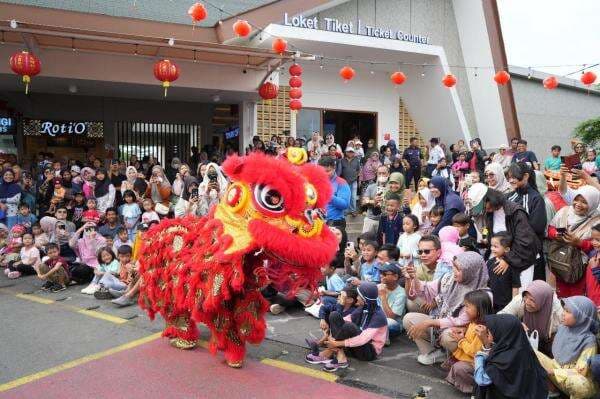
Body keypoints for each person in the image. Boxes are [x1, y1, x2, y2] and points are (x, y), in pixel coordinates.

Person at [403, 252, 489, 365]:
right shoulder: (450, 278)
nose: (454, 271)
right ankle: (434, 353)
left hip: (463, 332)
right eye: (454, 266)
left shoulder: (482, 293)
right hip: (442, 321)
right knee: (409, 319)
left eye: (459, 269)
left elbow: (460, 321)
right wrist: (413, 278)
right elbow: (427, 289)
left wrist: (429, 322)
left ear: (471, 271)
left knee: (448, 335)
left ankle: (458, 358)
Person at [315, 281, 388, 372]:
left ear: (365, 299)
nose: (357, 298)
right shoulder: (363, 308)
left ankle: (332, 351)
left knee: (349, 327)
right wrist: (330, 335)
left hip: (368, 352)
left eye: (359, 296)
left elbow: (363, 339)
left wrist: (337, 343)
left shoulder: (379, 316)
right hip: (354, 347)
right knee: (334, 315)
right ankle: (339, 355)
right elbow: (344, 319)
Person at [535, 296, 598, 399]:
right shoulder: (564, 329)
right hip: (558, 373)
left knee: (579, 383)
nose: (563, 313)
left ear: (581, 317)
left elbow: (581, 372)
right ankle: (552, 390)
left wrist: (553, 372)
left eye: (568, 311)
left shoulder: (589, 341)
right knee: (530, 352)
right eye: (564, 309)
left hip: (574, 381)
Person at [473, 314, 548, 399]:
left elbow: (481, 379)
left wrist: (480, 355)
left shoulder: (504, 358)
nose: (487, 334)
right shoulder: (522, 347)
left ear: (503, 333)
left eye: (489, 331)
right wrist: (487, 345)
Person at [547, 185, 600, 297]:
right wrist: (556, 234)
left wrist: (579, 243)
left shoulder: (597, 221)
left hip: (580, 268)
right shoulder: (565, 211)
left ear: (593, 203)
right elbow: (550, 228)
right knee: (558, 294)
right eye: (576, 199)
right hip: (559, 262)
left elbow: (597, 244)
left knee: (575, 299)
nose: (578, 204)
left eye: (584, 202)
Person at [483, 188, 541, 288]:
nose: (484, 209)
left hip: (522, 257)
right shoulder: (489, 213)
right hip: (503, 256)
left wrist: (507, 259)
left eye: (484, 205)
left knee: (520, 293)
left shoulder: (515, 211)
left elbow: (524, 241)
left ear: (491, 200)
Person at [446, 289, 494, 394]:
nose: (465, 310)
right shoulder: (474, 322)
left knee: (459, 368)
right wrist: (463, 331)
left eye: (468, 307)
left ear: (479, 310)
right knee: (453, 363)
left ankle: (476, 389)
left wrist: (461, 340)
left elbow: (474, 351)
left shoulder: (481, 328)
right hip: (472, 359)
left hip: (478, 362)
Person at [499, 280, 563, 356]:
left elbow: (567, 331)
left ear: (543, 300)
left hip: (548, 342)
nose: (527, 302)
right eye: (526, 297)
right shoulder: (520, 300)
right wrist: (515, 323)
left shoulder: (557, 310)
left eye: (532, 300)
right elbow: (500, 316)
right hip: (526, 339)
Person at [487, 232, 520, 312]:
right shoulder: (490, 262)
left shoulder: (512, 265)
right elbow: (488, 282)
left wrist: (513, 306)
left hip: (506, 304)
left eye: (495, 246)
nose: (492, 249)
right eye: (491, 246)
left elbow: (515, 286)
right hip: (492, 302)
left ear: (507, 249)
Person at [319, 157, 350, 241]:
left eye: (328, 171)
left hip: (335, 223)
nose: (325, 174)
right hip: (318, 223)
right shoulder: (317, 182)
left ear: (334, 168)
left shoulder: (341, 182)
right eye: (322, 171)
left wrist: (329, 195)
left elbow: (344, 204)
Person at [70, 222, 107, 294]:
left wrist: (92, 240)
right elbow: (71, 244)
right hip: (85, 264)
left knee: (93, 269)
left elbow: (98, 254)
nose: (90, 230)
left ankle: (94, 284)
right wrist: (80, 230)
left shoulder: (102, 239)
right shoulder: (81, 241)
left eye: (92, 228)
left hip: (97, 264)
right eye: (87, 228)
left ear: (96, 229)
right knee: (78, 270)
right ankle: (88, 281)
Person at [377, 262, 406, 339]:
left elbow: (391, 317)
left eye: (385, 274)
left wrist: (383, 296)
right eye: (380, 273)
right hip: (378, 319)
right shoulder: (379, 287)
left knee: (389, 324)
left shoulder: (401, 293)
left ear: (395, 277)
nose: (381, 276)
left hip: (394, 324)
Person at [360, 165, 388, 234]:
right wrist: (373, 201)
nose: (381, 175)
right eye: (379, 173)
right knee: (366, 241)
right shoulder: (371, 187)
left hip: (386, 219)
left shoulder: (392, 187)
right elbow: (363, 201)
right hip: (371, 219)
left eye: (384, 173)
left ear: (388, 174)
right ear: (377, 174)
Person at [340, 147, 361, 217]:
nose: (350, 153)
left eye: (351, 152)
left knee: (353, 197)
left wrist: (356, 177)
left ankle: (353, 211)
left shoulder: (356, 160)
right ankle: (345, 211)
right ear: (346, 152)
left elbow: (359, 170)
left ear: (354, 153)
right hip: (345, 182)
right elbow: (340, 171)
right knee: (345, 196)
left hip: (354, 181)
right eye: (349, 151)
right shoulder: (342, 160)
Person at [585, 224, 600, 306]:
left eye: (598, 240)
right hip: (592, 300)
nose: (593, 242)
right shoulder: (594, 254)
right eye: (592, 239)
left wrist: (595, 269)